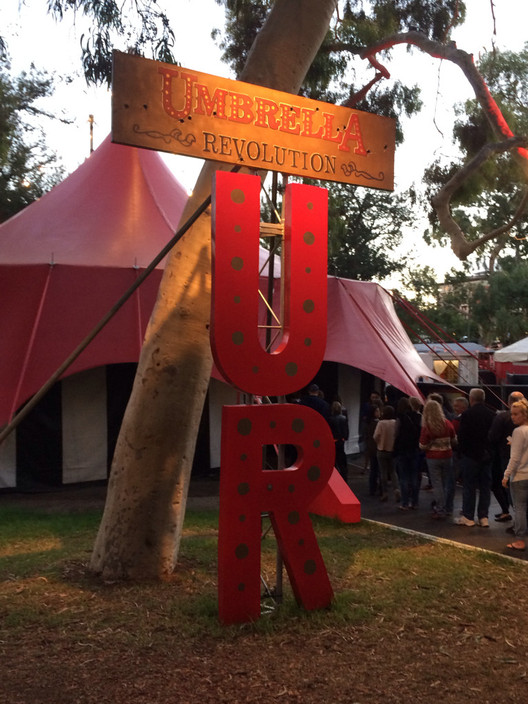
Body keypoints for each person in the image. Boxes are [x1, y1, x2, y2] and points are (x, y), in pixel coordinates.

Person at [455, 387, 495, 527]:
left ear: (471, 399)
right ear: (483, 399)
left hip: (471, 455)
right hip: (486, 455)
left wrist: (461, 452)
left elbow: (462, 436)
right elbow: (493, 436)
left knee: (469, 486)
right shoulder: (492, 414)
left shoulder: (467, 414)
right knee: (485, 487)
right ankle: (483, 517)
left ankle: (468, 516)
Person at [488, 391, 524, 523]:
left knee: (512, 491)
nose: (513, 418)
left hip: (506, 457)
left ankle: (517, 521)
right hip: (519, 460)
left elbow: (493, 437)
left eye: (516, 415)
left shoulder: (503, 418)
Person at [419, 399, 456, 518]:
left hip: (433, 457)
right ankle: (448, 507)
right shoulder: (447, 423)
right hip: (447, 455)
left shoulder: (427, 427)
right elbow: (454, 439)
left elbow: (422, 445)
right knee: (446, 483)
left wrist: (431, 444)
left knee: (437, 484)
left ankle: (440, 508)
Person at [501, 398, 528, 551]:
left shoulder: (518, 432)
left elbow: (515, 458)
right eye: (512, 414)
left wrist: (506, 475)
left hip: (519, 477)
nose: (513, 417)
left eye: (516, 414)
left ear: (524, 415)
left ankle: (519, 540)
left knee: (520, 509)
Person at [393, 397, 421, 510]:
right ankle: (414, 501)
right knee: (414, 476)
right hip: (415, 449)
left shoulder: (401, 417)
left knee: (403, 477)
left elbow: (396, 433)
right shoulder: (419, 417)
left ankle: (405, 502)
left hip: (402, 449)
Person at [373, 405, 399, 502]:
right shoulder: (395, 423)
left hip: (382, 449)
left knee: (383, 472)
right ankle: (396, 488)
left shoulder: (381, 423)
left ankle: (385, 492)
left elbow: (376, 436)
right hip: (392, 449)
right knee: (393, 471)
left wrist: (378, 443)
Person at [328, 401, 349, 483]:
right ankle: (344, 479)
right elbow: (346, 431)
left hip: (333, 441)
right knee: (342, 462)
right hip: (341, 441)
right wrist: (344, 438)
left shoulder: (330, 419)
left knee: (334, 462)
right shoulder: (343, 418)